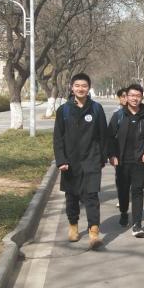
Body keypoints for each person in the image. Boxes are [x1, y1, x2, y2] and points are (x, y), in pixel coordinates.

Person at [53, 73, 107, 250]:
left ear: (89, 87)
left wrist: (102, 158)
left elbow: (103, 135)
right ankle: (73, 226)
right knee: (72, 196)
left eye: (84, 86)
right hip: (70, 162)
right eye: (77, 85)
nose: (80, 89)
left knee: (92, 196)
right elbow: (58, 138)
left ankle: (94, 232)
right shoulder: (64, 110)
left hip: (91, 160)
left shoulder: (96, 109)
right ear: (72, 87)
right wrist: (61, 160)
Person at [108, 83, 144, 238]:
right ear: (126, 97)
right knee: (123, 190)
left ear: (142, 97)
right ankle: (123, 212)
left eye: (138, 96)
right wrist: (112, 155)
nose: (135, 98)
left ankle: (137, 224)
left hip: (139, 160)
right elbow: (110, 137)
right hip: (121, 161)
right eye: (132, 95)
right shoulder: (119, 115)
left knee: (138, 190)